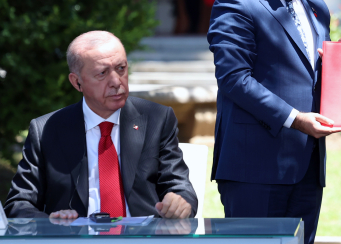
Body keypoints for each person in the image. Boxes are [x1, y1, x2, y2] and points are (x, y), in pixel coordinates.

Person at [207, 0, 341, 244]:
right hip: (254, 169)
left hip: (308, 167)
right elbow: (234, 79)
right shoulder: (235, 4)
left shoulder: (317, 8)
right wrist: (296, 119)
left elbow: (311, 75)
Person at [4, 31, 197, 220]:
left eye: (121, 68)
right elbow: (19, 204)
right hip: (74, 236)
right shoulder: (46, 130)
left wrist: (180, 202)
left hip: (141, 235)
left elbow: (180, 187)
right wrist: (51, 224)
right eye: (102, 73)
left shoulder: (157, 119)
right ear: (77, 82)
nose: (116, 82)